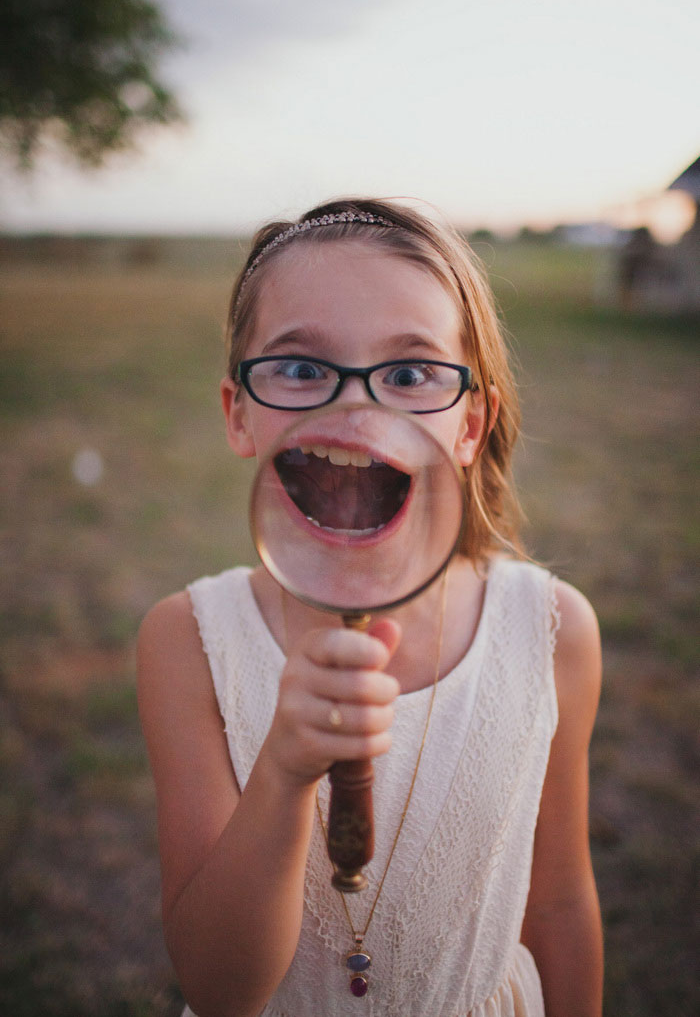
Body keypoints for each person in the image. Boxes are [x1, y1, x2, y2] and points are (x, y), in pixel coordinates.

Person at [137, 198, 604, 1017]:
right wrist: (282, 772)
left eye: (412, 371)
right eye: (300, 366)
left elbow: (560, 903)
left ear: (471, 426)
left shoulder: (551, 633)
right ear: (237, 413)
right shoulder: (187, 642)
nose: (356, 406)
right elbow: (218, 989)